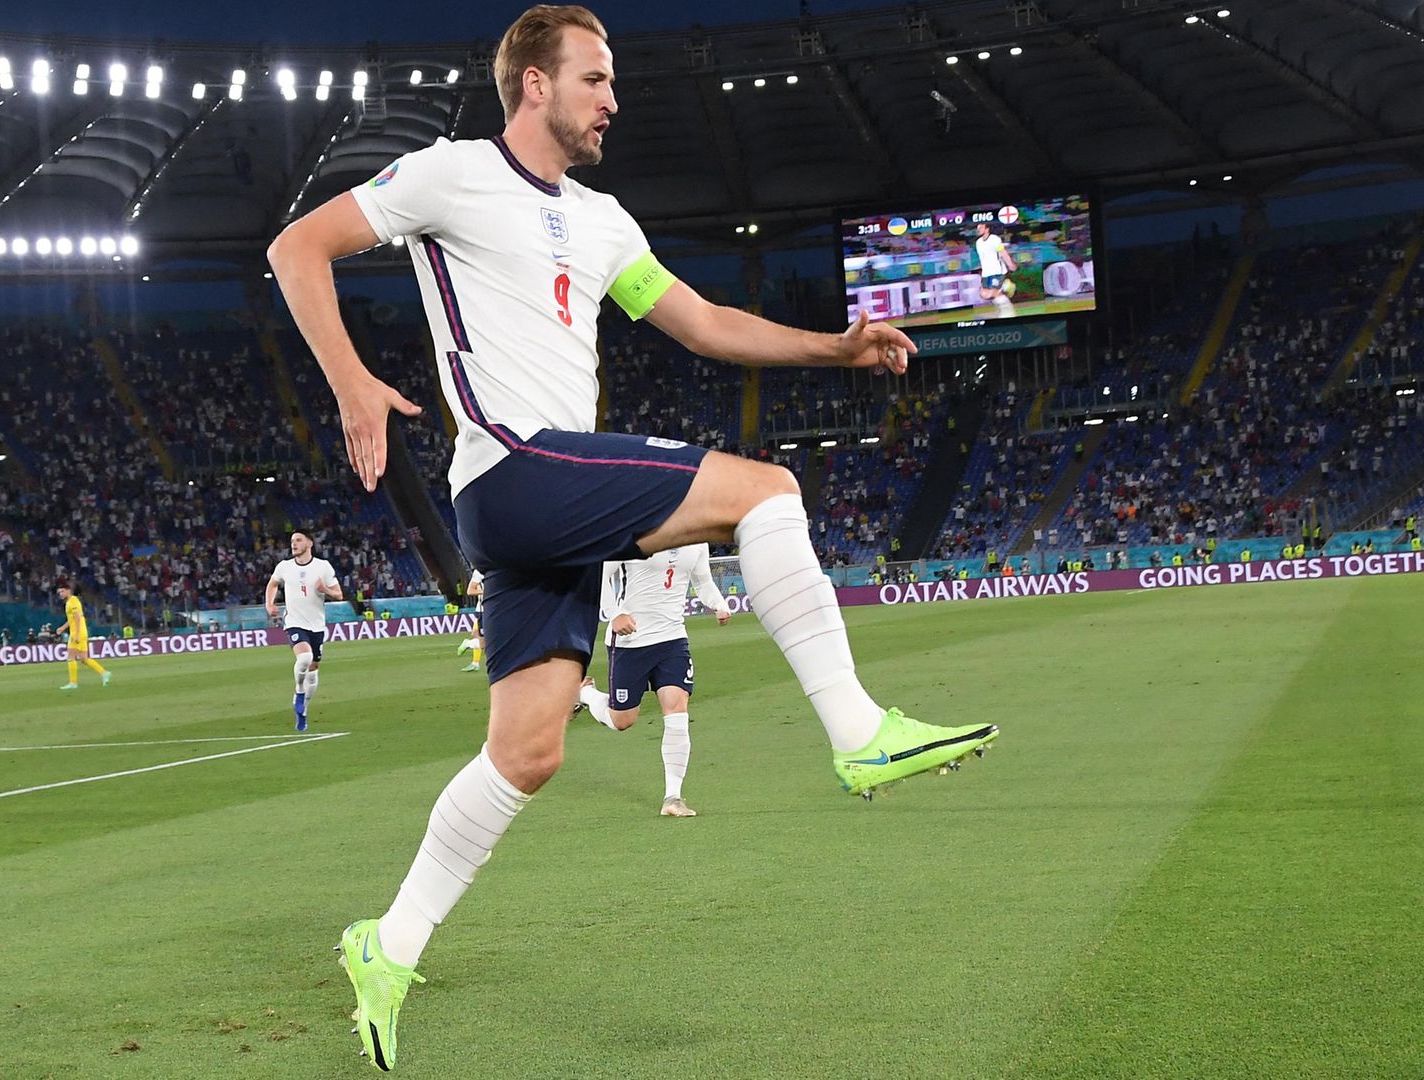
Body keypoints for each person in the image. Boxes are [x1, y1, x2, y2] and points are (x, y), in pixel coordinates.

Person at [266, 5, 1000, 1070]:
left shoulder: (605, 222)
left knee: (527, 753)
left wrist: (834, 350)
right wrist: (353, 385)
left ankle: (388, 943)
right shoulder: (449, 174)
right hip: (518, 469)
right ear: (533, 84)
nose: (615, 100)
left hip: (537, 516)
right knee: (765, 489)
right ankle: (855, 731)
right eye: (596, 79)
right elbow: (300, 248)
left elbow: (700, 323)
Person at [575, 543, 731, 817]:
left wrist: (718, 603)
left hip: (672, 638)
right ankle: (585, 694)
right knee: (622, 720)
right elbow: (597, 577)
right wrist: (615, 614)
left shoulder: (697, 539)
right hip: (630, 641)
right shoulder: (634, 531)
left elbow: (703, 581)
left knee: (677, 707)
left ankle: (673, 797)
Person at [264, 531, 344, 731]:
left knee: (313, 669)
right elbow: (272, 584)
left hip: (316, 625)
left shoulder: (323, 567)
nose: (294, 544)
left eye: (298, 540)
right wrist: (269, 604)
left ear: (309, 543)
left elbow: (339, 594)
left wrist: (325, 590)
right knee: (305, 658)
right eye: (291, 541)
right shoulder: (284, 567)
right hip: (294, 622)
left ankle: (303, 710)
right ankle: (298, 691)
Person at [55, 579, 111, 690]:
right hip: (81, 632)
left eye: (62, 591)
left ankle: (73, 683)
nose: (60, 594)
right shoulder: (71, 602)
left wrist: (75, 635)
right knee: (83, 658)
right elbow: (72, 619)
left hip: (77, 632)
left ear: (68, 591)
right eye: (59, 592)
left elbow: (77, 618)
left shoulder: (72, 601)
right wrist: (62, 628)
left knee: (71, 657)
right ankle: (104, 673)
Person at [973, 220, 1019, 309]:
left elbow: (1003, 252)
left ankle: (1007, 312)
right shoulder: (978, 242)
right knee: (984, 294)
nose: (978, 229)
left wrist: (1011, 265)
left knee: (995, 292)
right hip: (986, 273)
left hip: (997, 271)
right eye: (978, 228)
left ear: (987, 229)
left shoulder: (995, 239)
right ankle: (1005, 286)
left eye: (981, 227)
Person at [456, 569, 486, 672]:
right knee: (484, 642)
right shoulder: (480, 572)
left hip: (496, 610)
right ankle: (468, 645)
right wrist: (486, 592)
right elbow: (470, 591)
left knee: (478, 636)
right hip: (484, 611)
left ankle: (475, 662)